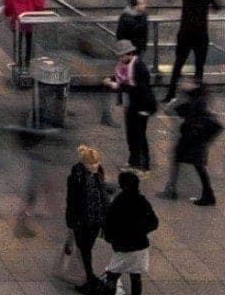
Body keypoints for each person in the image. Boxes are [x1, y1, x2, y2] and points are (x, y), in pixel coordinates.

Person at [99, 167, 158, 293]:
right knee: (135, 276)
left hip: (123, 246)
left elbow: (108, 225)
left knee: (112, 274)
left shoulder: (118, 203)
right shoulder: (142, 201)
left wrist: (112, 239)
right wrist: (141, 231)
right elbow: (154, 222)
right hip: (140, 246)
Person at [162, 85, 221, 206]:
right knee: (195, 165)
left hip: (192, 141)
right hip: (194, 140)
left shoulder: (194, 105)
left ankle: (207, 195)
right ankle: (207, 194)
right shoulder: (199, 104)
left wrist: (178, 98)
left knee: (194, 165)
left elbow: (168, 110)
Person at [164, 0, 221, 93]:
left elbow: (217, 6)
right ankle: (172, 93)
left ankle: (191, 95)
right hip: (192, 33)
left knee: (196, 67)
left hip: (194, 34)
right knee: (180, 64)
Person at [64, 143, 110, 292]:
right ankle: (89, 277)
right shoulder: (76, 177)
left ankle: (88, 277)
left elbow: (102, 193)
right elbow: (71, 200)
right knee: (85, 249)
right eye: (91, 164)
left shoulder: (99, 172)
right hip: (82, 219)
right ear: (84, 163)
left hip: (96, 218)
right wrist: (71, 221)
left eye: (96, 162)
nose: (94, 166)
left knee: (86, 248)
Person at [0, 0, 50, 72]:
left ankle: (18, 64)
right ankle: (28, 64)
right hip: (30, 19)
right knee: (30, 42)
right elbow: (39, 1)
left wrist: (8, 13)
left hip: (17, 20)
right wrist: (40, 13)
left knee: (17, 42)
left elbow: (7, 1)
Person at [113, 43, 158, 172]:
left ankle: (144, 165)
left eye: (122, 56)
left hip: (142, 106)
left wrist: (118, 86)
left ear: (130, 54)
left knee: (139, 135)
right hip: (132, 106)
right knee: (131, 135)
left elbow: (139, 89)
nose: (120, 59)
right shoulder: (125, 66)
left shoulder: (139, 67)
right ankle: (134, 161)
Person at [114, 0, 154, 81]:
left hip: (140, 48)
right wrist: (126, 52)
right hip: (129, 52)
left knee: (138, 71)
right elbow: (120, 36)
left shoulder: (143, 15)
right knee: (131, 74)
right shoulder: (125, 18)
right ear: (135, 6)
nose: (145, 6)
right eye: (142, 4)